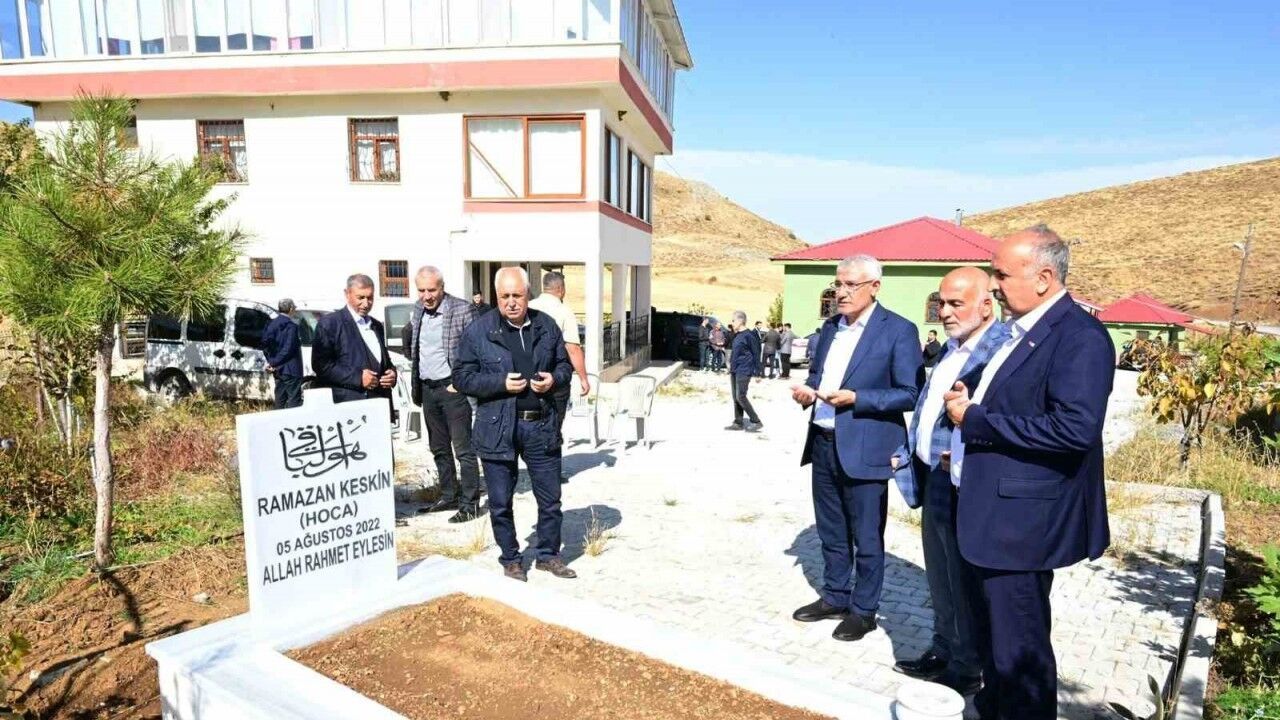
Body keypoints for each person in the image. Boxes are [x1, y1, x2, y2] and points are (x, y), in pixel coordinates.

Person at [943, 225, 1113, 720]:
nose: (994, 285)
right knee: (997, 643)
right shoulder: (1023, 331)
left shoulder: (1080, 337)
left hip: (1021, 527)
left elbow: (1075, 429)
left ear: (1042, 278)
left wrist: (975, 420)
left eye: (1001, 275)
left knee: (1020, 651)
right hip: (992, 516)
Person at [789, 254, 922, 643]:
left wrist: (857, 398)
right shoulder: (831, 328)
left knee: (866, 536)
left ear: (874, 287)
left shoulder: (898, 330)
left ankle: (864, 611)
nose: (841, 292)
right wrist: (807, 392)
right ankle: (835, 596)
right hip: (823, 442)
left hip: (866, 449)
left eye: (851, 285)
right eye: (838, 284)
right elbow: (818, 375)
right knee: (831, 530)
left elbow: (910, 393)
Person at [891, 267, 1009, 696]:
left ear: (986, 305)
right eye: (941, 303)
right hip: (934, 478)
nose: (944, 312)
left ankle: (967, 666)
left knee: (964, 583)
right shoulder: (952, 347)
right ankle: (943, 649)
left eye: (956, 303)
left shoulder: (1002, 350)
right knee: (940, 576)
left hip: (966, 483)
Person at [454, 267, 576, 583]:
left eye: (517, 295)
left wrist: (553, 380)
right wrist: (499, 383)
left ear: (528, 294)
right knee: (499, 502)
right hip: (497, 428)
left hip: (540, 426)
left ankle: (548, 555)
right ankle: (511, 559)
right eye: (504, 296)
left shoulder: (546, 326)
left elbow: (564, 366)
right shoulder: (479, 331)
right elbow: (462, 377)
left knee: (550, 499)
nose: (511, 302)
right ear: (497, 297)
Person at [401, 266, 482, 524]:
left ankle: (470, 504)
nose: (427, 296)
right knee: (439, 447)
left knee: (463, 449)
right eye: (422, 290)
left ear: (442, 287)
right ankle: (449, 495)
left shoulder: (462, 310)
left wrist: (463, 382)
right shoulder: (418, 309)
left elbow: (478, 349)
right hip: (428, 389)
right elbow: (414, 344)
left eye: (432, 290)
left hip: (453, 390)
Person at [529, 271, 591, 473]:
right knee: (553, 425)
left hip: (529, 376)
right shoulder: (564, 311)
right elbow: (572, 348)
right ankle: (550, 470)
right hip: (555, 378)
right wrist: (583, 378)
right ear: (561, 289)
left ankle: (533, 465)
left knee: (530, 422)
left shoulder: (529, 307)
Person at [311, 274, 397, 417]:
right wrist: (358, 378)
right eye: (360, 297)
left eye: (370, 298)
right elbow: (321, 365)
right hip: (348, 408)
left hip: (379, 407)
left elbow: (384, 362)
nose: (366, 303)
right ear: (347, 294)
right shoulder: (330, 324)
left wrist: (392, 374)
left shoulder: (377, 325)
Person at [261, 298, 303, 410]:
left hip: (277, 370)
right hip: (291, 369)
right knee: (294, 401)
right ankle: (294, 421)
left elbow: (264, 345)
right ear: (290, 309)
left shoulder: (271, 324)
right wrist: (273, 363)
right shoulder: (292, 326)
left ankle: (277, 420)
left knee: (280, 400)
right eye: (294, 308)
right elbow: (288, 349)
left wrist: (271, 362)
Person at [725, 311, 763, 432]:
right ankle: (738, 422)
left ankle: (756, 421)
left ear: (740, 321)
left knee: (740, 396)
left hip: (744, 369)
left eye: (733, 320)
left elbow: (756, 354)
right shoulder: (737, 335)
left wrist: (758, 372)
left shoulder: (750, 336)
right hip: (735, 370)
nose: (732, 323)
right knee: (735, 397)